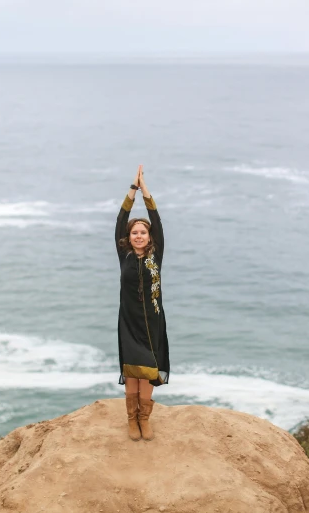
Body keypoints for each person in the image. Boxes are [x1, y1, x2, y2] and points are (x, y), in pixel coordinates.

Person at [115, 164, 170, 441]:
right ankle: (131, 419)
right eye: (134, 233)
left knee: (148, 370)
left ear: (149, 238)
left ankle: (145, 418)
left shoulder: (155, 255)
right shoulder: (124, 254)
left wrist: (145, 190)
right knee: (132, 371)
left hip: (152, 322)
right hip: (128, 321)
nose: (139, 236)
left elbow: (156, 220)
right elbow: (120, 219)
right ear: (129, 237)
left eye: (143, 233)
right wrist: (131, 189)